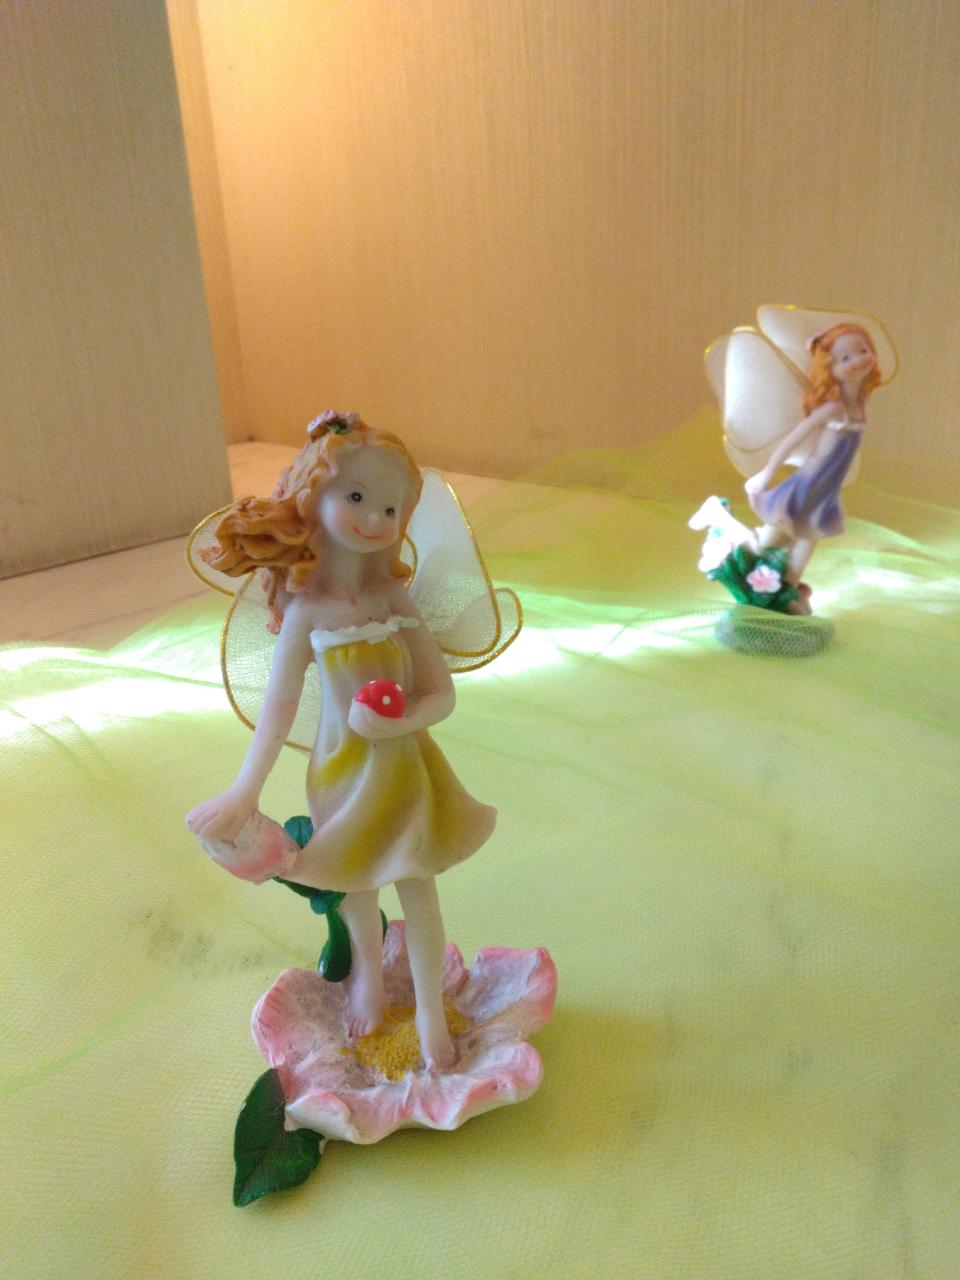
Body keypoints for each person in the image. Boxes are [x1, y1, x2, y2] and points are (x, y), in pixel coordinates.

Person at [186, 412, 499, 1070]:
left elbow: (440, 694)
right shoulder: (307, 611)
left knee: (417, 882)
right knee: (355, 884)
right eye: (356, 497)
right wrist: (244, 790)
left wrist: (397, 723)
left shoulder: (395, 600)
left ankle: (429, 1009)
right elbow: (277, 709)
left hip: (405, 769)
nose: (374, 519)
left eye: (390, 507)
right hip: (338, 771)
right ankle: (366, 976)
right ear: (311, 500)